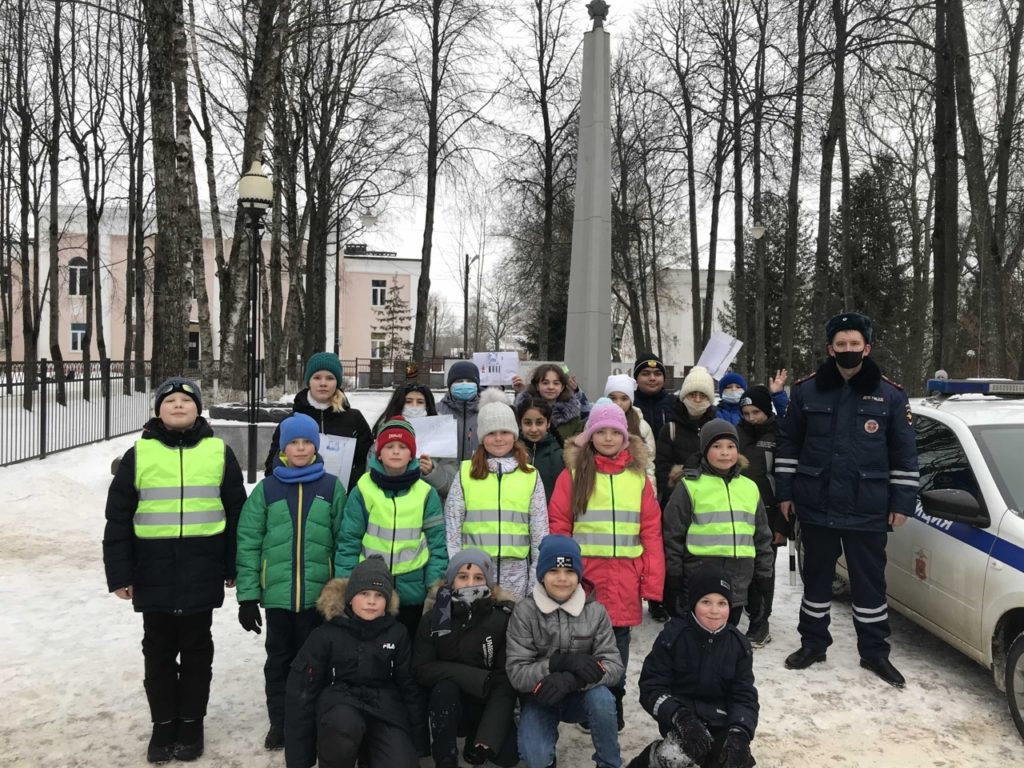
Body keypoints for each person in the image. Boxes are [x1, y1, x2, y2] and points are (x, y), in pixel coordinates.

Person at [103, 377, 247, 764]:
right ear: (158, 410)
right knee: (158, 653)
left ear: (198, 408)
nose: (179, 406)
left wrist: (234, 564)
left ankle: (191, 723)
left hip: (203, 567)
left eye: (187, 400)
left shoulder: (219, 452)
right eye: (171, 401)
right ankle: (163, 724)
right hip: (153, 570)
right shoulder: (139, 454)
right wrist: (120, 573)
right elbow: (118, 518)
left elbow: (237, 513)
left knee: (198, 652)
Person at [775, 311, 918, 688]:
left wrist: (902, 503)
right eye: (842, 345)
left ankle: (874, 653)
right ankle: (813, 643)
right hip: (816, 502)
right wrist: (785, 494)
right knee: (817, 579)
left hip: (867, 506)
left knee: (869, 584)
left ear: (867, 348)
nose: (848, 350)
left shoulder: (891, 395)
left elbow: (904, 455)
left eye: (855, 345)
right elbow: (789, 445)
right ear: (830, 349)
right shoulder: (806, 391)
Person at [548, 399, 664, 729]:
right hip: (585, 579)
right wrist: (561, 572)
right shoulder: (573, 475)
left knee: (618, 640)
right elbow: (559, 524)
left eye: (616, 432)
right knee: (582, 640)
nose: (609, 438)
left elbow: (651, 530)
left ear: (626, 437)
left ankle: (613, 698)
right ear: (590, 436)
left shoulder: (637, 478)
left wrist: (652, 580)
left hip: (626, 576)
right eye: (602, 432)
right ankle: (585, 699)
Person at [236, 413, 347, 751]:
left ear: (316, 445)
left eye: (307, 442)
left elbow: (343, 539)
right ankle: (280, 722)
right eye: (294, 443)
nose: (300, 448)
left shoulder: (331, 487)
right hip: (279, 599)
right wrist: (248, 596)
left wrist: (340, 590)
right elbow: (249, 540)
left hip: (317, 598)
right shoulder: (267, 489)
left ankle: (311, 721)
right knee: (279, 662)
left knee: (315, 663)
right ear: (284, 448)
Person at [285, 557, 423, 768]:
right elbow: (301, 693)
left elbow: (409, 687)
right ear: (350, 598)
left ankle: (371, 752)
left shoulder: (398, 634)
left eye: (379, 595)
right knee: (342, 728)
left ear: (387, 600)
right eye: (364, 593)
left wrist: (418, 743)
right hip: (339, 705)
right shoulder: (325, 635)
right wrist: (299, 759)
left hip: (384, 708)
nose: (371, 601)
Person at [505, 535, 625, 768]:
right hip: (540, 696)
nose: (562, 579)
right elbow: (517, 673)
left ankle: (609, 763)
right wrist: (556, 665)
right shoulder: (525, 612)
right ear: (542, 575)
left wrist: (571, 679)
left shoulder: (595, 611)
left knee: (603, 699)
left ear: (579, 575)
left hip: (582, 695)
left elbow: (613, 665)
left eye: (570, 572)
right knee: (535, 756)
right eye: (554, 571)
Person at [632, 565, 758, 768]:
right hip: (681, 720)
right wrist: (680, 716)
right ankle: (652, 758)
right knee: (677, 757)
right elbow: (651, 687)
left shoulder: (739, 645)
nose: (715, 611)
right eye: (706, 602)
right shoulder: (673, 637)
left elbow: (744, 696)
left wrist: (740, 735)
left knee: (736, 762)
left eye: (722, 603)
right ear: (693, 604)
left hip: (720, 723)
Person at [334, 416, 447, 639]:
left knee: (408, 653)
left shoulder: (426, 493)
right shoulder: (363, 490)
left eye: (403, 447)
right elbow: (348, 541)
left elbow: (436, 545)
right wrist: (346, 585)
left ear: (411, 453)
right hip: (372, 595)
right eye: (389, 446)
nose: (396, 451)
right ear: (379, 453)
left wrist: (434, 588)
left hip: (412, 595)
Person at [413, 549, 519, 768]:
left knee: (509, 756)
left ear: (488, 583)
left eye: (478, 578)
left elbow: (504, 680)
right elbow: (422, 669)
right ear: (451, 581)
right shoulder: (435, 616)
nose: (471, 583)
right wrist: (476, 677)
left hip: (485, 700)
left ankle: (476, 739)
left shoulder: (501, 619)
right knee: (444, 689)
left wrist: (487, 737)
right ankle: (445, 757)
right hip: (450, 701)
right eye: (463, 577)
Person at [661, 419, 773, 623]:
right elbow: (672, 535)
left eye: (731, 446)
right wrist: (674, 578)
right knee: (696, 639)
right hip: (699, 579)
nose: (725, 452)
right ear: (704, 449)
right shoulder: (689, 486)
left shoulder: (749, 487)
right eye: (717, 446)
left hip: (738, 579)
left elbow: (762, 536)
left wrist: (763, 578)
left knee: (727, 638)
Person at [444, 388, 549, 599]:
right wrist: (459, 570)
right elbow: (453, 527)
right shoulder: (466, 473)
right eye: (491, 433)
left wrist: (535, 576)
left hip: (516, 573)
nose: (499, 438)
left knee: (512, 627)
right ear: (482, 437)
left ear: (514, 434)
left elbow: (540, 530)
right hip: (474, 571)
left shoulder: (530, 475)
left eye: (504, 432)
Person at [264, 352, 373, 492]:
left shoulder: (354, 419)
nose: (323, 383)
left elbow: (366, 461)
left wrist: (353, 488)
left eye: (330, 378)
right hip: (298, 498)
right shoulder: (291, 420)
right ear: (309, 381)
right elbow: (274, 463)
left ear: (337, 382)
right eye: (317, 377)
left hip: (342, 498)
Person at [736, 385, 786, 647]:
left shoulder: (779, 434)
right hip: (738, 514)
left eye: (756, 412)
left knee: (763, 571)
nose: (751, 418)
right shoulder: (735, 433)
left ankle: (761, 623)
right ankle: (750, 609)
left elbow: (785, 481)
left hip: (769, 514)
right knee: (743, 568)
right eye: (745, 412)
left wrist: (782, 523)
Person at [654, 365, 718, 508]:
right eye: (692, 394)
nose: (697, 399)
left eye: (703, 395)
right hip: (678, 501)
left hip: (711, 501)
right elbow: (661, 469)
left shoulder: (717, 428)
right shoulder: (670, 429)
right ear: (683, 396)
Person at [420, 360, 482, 500]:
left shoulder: (487, 412)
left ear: (477, 385)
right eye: (459, 380)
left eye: (469, 380)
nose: (464, 384)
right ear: (449, 385)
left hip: (479, 488)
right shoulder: (435, 412)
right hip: (442, 487)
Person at [512, 363, 584, 442]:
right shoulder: (522, 412)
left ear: (562, 387)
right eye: (545, 383)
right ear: (537, 386)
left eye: (556, 383)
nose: (551, 387)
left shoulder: (573, 417)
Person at [604, 374, 656, 478]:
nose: (618, 403)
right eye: (613, 398)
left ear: (631, 401)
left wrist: (650, 491)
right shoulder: (593, 423)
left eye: (624, 399)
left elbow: (648, 465)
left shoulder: (642, 426)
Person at [517, 396, 565, 500]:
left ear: (548, 423)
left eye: (539, 422)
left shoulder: (560, 457)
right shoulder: (512, 454)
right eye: (528, 423)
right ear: (520, 424)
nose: (534, 429)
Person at [714, 370, 791, 426]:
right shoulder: (714, 413)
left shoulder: (754, 410)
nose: (733, 390)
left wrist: (778, 394)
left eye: (738, 387)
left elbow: (786, 419)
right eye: (728, 387)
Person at [632, 352, 676, 437]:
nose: (652, 378)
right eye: (645, 374)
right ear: (636, 378)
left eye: (657, 374)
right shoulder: (629, 403)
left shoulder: (676, 404)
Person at [371, 382, 438, 434]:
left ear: (427, 406)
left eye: (420, 402)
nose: (414, 406)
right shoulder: (386, 427)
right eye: (408, 401)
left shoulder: (437, 428)